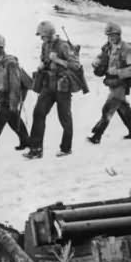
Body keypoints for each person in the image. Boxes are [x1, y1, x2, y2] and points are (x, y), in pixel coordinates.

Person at [24, 21, 83, 159]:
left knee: (65, 118)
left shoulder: (63, 45)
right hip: (48, 85)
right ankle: (36, 149)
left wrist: (58, 60)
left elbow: (75, 65)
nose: (41, 39)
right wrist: (42, 64)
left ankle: (66, 148)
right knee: (38, 113)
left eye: (42, 36)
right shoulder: (45, 45)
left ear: (49, 34)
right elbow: (44, 60)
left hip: (62, 86)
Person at [87, 23, 131, 144]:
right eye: (109, 35)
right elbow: (101, 56)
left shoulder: (126, 48)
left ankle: (97, 135)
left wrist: (118, 72)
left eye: (113, 35)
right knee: (122, 107)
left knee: (109, 107)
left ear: (119, 35)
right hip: (112, 82)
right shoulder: (108, 47)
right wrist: (96, 62)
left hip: (122, 82)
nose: (111, 38)